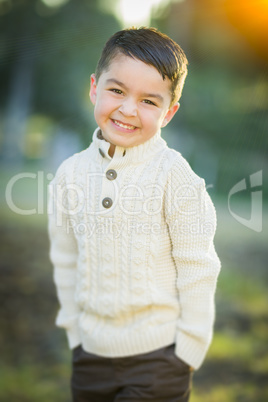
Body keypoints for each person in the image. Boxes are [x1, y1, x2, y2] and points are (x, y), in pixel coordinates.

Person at [48, 27, 221, 402]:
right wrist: (76, 336)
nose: (128, 109)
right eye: (116, 90)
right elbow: (66, 258)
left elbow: (198, 266)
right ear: (94, 88)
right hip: (90, 359)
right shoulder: (70, 175)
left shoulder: (174, 176)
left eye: (148, 101)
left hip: (159, 360)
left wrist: (188, 348)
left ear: (169, 112)